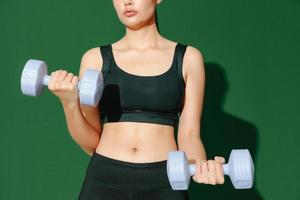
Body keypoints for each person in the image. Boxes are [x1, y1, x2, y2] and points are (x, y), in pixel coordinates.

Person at [48, 0, 226, 199]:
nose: (127, 2)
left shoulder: (188, 58)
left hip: (165, 181)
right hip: (104, 177)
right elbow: (91, 144)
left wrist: (200, 166)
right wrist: (69, 103)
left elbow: (189, 135)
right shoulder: (94, 59)